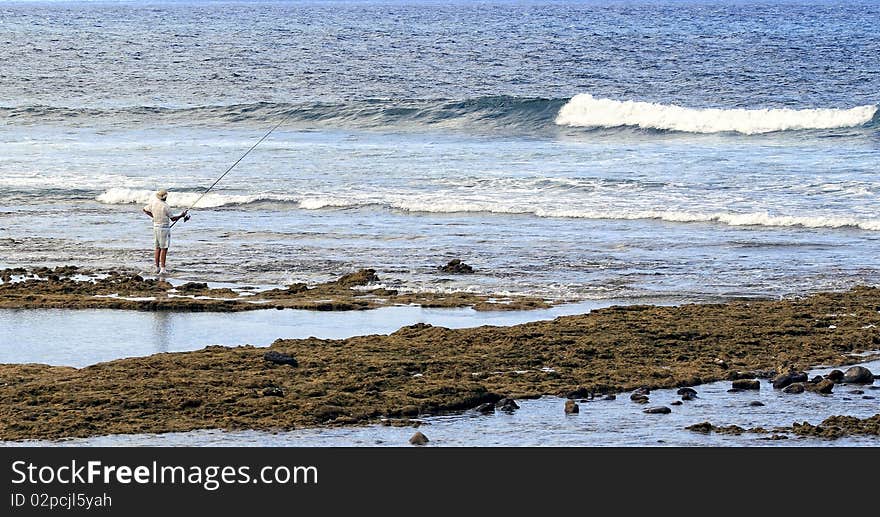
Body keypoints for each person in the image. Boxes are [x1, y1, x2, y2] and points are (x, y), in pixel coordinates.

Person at [142, 189, 189, 274]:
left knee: (157, 248)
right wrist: (181, 215)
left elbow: (145, 210)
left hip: (156, 227)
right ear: (165, 197)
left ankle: (157, 267)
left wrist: (154, 216)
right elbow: (172, 218)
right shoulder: (165, 206)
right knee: (164, 249)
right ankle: (163, 269)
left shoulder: (153, 203)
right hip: (164, 228)